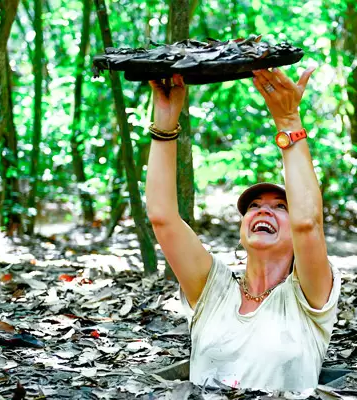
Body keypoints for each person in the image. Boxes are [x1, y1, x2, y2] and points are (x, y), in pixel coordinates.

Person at [145, 67, 341, 392]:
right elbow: (163, 217)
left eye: (281, 207)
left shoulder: (309, 294)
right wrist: (165, 124)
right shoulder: (212, 290)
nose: (264, 209)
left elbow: (309, 224)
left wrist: (289, 121)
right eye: (254, 206)